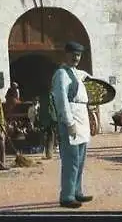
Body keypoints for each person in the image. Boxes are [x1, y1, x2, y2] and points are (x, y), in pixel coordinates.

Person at [51, 41, 94, 209]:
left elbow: (85, 77)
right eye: (73, 54)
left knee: (81, 159)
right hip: (72, 119)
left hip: (82, 118)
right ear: (66, 54)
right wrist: (69, 122)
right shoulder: (61, 74)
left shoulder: (76, 73)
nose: (76, 58)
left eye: (79, 55)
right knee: (71, 160)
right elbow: (61, 99)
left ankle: (77, 191)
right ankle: (67, 196)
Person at [37, 93, 59, 159]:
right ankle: (49, 153)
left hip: (44, 119)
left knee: (45, 136)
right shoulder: (51, 97)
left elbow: (40, 110)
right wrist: (55, 118)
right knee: (51, 135)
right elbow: (52, 108)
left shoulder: (42, 98)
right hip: (50, 119)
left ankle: (47, 152)